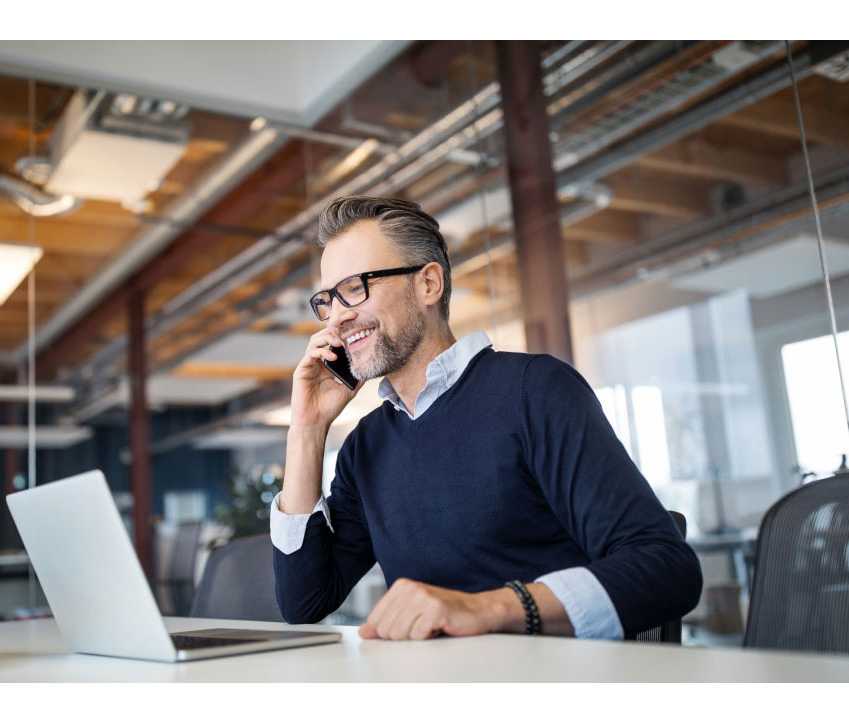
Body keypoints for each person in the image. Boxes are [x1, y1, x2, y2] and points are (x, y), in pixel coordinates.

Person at [270, 196, 702, 641]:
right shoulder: (367, 445)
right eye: (327, 300)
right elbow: (304, 602)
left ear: (429, 284)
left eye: (356, 287)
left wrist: (487, 608)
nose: (338, 316)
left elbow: (667, 568)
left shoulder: (535, 390)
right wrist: (306, 430)